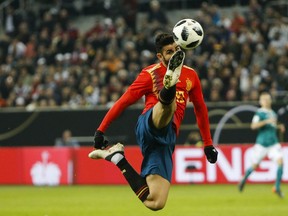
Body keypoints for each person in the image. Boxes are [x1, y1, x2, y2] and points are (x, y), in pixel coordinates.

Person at [89, 33, 218, 211]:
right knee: (168, 107)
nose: (174, 54)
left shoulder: (191, 76)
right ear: (160, 56)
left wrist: (208, 144)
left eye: (176, 50)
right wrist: (100, 130)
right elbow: (123, 101)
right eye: (169, 52)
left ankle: (116, 158)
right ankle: (168, 88)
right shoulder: (149, 74)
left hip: (165, 141)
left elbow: (200, 109)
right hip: (149, 124)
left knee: (155, 202)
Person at [238, 92, 285, 198]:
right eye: (264, 99)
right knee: (255, 166)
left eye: (268, 99)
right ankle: (244, 178)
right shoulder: (259, 113)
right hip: (262, 144)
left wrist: (279, 126)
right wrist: (266, 121)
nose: (267, 101)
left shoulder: (272, 113)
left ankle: (276, 187)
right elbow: (253, 126)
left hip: (273, 143)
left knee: (281, 162)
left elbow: (271, 126)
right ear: (261, 102)